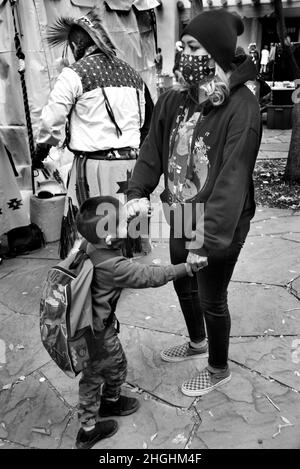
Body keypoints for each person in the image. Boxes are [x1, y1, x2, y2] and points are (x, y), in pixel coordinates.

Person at [126, 9, 262, 397]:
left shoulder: (242, 109)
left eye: (193, 46)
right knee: (182, 283)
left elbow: (232, 181)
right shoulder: (174, 100)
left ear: (216, 53)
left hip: (220, 223)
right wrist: (137, 192)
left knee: (211, 297)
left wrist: (207, 241)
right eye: (182, 46)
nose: (183, 53)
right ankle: (196, 341)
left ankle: (218, 367)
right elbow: (153, 149)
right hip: (181, 212)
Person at [33, 8, 154, 259]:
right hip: (132, 167)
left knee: (96, 228)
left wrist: (42, 148)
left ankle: (101, 269)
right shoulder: (133, 74)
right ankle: (126, 265)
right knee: (125, 219)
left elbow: (51, 119)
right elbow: (146, 122)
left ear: (77, 45)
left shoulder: (74, 73)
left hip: (95, 167)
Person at [74, 195, 193, 449]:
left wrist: (130, 210)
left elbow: (110, 223)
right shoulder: (114, 267)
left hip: (90, 327)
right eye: (122, 222)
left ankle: (110, 400)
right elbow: (151, 275)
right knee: (103, 372)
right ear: (110, 237)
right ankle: (88, 429)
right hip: (97, 334)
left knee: (106, 369)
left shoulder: (90, 244)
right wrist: (187, 268)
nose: (128, 226)